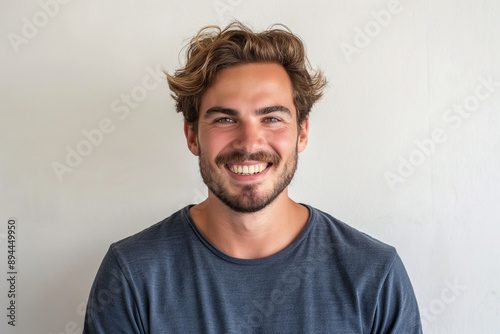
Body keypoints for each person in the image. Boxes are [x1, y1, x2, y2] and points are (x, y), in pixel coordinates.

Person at [83, 21, 422, 333]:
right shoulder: (132, 275)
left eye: (272, 118)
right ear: (191, 135)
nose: (249, 143)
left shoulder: (374, 275)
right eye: (224, 120)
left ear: (302, 132)